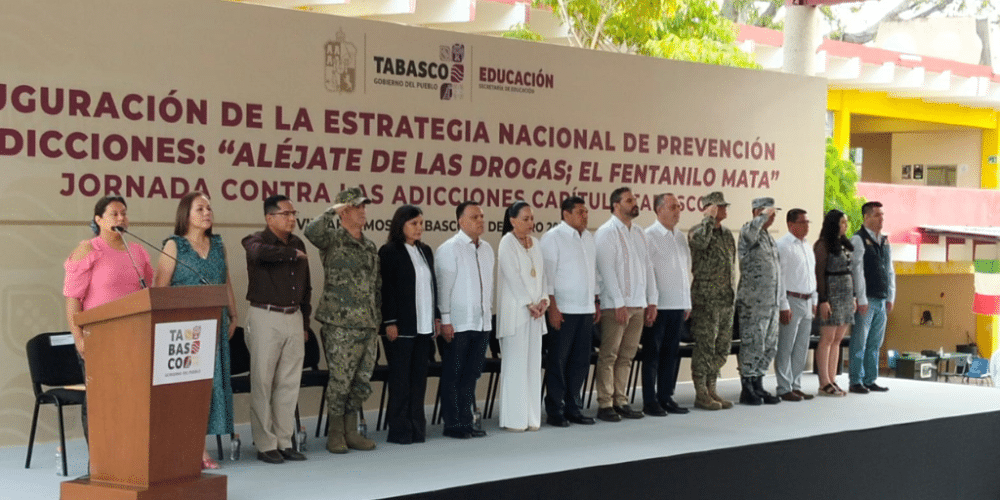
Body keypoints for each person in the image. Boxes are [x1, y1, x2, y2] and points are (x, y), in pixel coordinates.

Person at [153, 192, 238, 469]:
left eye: (209, 208)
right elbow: (159, 291)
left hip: (215, 325)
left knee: (211, 387)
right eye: (200, 208)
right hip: (184, 331)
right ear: (185, 215)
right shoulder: (174, 245)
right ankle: (195, 449)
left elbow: (225, 283)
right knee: (190, 388)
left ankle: (198, 445)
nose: (207, 212)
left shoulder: (218, 244)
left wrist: (233, 313)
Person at [64, 195, 154, 446]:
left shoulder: (138, 251)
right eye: (114, 214)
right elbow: (73, 299)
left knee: (132, 398)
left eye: (124, 213)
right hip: (99, 337)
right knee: (100, 400)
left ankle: (129, 455)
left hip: (135, 337)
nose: (121, 218)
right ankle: (100, 463)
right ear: (98, 220)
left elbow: (149, 293)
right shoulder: (89, 249)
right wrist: (79, 337)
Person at [303, 187, 380, 453]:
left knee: (361, 381)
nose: (362, 211)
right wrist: (333, 210)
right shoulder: (332, 240)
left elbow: (375, 285)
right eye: (356, 207)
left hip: (367, 323)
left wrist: (377, 319)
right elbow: (311, 231)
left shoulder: (369, 245)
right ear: (344, 211)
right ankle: (335, 434)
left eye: (363, 206)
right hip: (340, 324)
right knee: (340, 381)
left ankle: (351, 431)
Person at [241, 195, 311, 464]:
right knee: (262, 381)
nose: (292, 218)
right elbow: (259, 253)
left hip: (293, 317)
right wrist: (290, 254)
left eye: (294, 213)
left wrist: (304, 323)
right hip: (265, 316)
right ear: (270, 218)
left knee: (289, 383)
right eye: (286, 214)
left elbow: (306, 287)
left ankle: (284, 441)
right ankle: (265, 443)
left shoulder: (299, 243)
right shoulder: (255, 241)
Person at [594, 187, 657, 422]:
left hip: (638, 304)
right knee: (609, 355)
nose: (635, 203)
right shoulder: (606, 232)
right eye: (629, 200)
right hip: (615, 306)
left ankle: (621, 400)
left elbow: (648, 267)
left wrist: (652, 301)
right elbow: (606, 270)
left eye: (635, 199)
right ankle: (605, 403)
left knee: (627, 356)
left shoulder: (639, 232)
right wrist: (619, 303)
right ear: (615, 205)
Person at [378, 205, 439, 444]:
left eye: (421, 223)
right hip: (401, 327)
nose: (419, 228)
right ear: (400, 225)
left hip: (423, 327)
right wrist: (389, 321)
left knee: (418, 380)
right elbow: (387, 290)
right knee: (401, 381)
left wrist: (434, 317)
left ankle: (417, 428)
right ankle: (401, 430)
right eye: (414, 223)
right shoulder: (390, 251)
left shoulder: (425, 251)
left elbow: (432, 287)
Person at [435, 201, 494, 439]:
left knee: (471, 375)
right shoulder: (449, 248)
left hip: (481, 323)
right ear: (461, 221)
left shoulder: (488, 249)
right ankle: (452, 424)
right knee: (453, 374)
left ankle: (467, 420)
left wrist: (487, 319)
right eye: (474, 217)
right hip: (457, 324)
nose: (480, 220)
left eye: (481, 216)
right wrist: (446, 320)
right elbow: (443, 288)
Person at [540, 196, 598, 427]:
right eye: (580, 211)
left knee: (580, 362)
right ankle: (555, 409)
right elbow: (548, 278)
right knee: (558, 361)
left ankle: (574, 407)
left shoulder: (589, 238)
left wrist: (595, 301)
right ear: (566, 214)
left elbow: (593, 274)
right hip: (563, 310)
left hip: (585, 309)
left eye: (586, 211)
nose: (585, 215)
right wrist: (553, 308)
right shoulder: (553, 238)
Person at [496, 200, 549, 432]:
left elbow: (542, 275)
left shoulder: (536, 243)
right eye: (525, 219)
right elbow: (513, 276)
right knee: (516, 365)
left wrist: (544, 299)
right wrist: (529, 303)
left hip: (536, 314)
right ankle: (514, 419)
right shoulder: (506, 242)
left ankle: (531, 417)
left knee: (532, 364)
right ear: (512, 220)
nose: (531, 223)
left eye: (532, 218)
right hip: (517, 313)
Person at [641, 193, 691, 416]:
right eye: (673, 207)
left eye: (679, 207)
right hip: (658, 306)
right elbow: (647, 273)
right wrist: (651, 302)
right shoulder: (648, 236)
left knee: (671, 354)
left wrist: (686, 302)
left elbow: (685, 271)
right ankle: (650, 400)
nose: (677, 210)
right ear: (659, 210)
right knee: (653, 354)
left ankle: (666, 396)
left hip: (678, 305)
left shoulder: (680, 236)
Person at [688, 191, 736, 411]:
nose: (724, 210)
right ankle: (701, 393)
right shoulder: (697, 231)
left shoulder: (727, 234)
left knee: (721, 347)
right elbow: (700, 243)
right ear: (709, 208)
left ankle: (712, 387)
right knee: (705, 347)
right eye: (719, 206)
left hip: (726, 299)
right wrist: (707, 219)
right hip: (706, 300)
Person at [735, 197, 783, 406]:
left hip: (770, 302)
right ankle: (747, 387)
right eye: (769, 214)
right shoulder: (748, 231)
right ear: (757, 213)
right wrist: (761, 216)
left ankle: (758, 383)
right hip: (753, 303)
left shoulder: (768, 237)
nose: (772, 218)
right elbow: (751, 234)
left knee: (769, 345)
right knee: (753, 344)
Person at [849, 201, 894, 394]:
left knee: (875, 343)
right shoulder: (858, 240)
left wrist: (891, 295)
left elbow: (890, 269)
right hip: (867, 299)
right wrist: (861, 298)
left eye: (882, 215)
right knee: (860, 341)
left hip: (882, 299)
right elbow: (856, 271)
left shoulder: (884, 240)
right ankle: (856, 380)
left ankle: (870, 379)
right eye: (877, 215)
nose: (881, 218)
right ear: (866, 217)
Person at [774, 208, 817, 402]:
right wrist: (783, 305)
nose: (807, 226)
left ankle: (796, 384)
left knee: (801, 346)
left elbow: (811, 275)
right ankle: (784, 387)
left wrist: (814, 299)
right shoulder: (782, 246)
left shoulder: (807, 246)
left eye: (808, 222)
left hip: (807, 299)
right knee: (786, 345)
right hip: (791, 299)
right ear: (791, 225)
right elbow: (780, 278)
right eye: (802, 222)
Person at [815, 209, 855, 397]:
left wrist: (853, 296)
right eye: (842, 222)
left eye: (846, 222)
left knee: (838, 340)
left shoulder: (844, 244)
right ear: (833, 224)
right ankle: (823, 382)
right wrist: (823, 300)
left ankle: (832, 378)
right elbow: (819, 274)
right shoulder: (823, 245)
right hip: (831, 294)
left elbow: (851, 271)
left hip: (846, 295)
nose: (845, 226)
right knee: (827, 339)